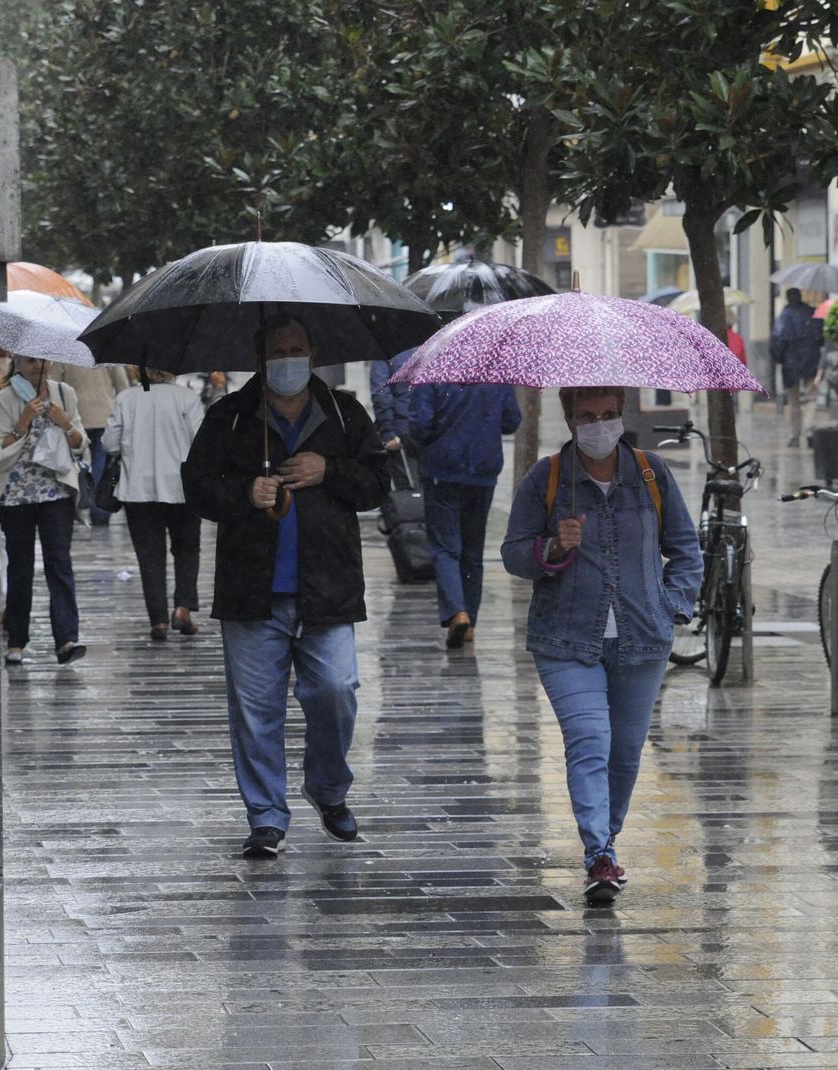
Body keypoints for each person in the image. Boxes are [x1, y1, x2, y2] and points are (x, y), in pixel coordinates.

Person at [181, 314, 388, 860]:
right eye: (278, 350)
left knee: (337, 691)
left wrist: (331, 470)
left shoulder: (344, 414)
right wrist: (242, 491)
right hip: (252, 589)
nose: (288, 359)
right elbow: (198, 489)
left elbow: (377, 485)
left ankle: (327, 789)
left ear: (313, 352)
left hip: (329, 589)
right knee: (256, 711)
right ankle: (267, 817)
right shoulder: (228, 418)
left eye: (297, 348)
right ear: (260, 357)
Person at [501, 386, 702, 904]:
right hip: (565, 638)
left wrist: (672, 605)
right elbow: (512, 554)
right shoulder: (545, 479)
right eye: (587, 416)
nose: (599, 425)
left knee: (626, 751)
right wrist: (551, 545)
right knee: (590, 738)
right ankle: (599, 854)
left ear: (622, 415)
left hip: (642, 638)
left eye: (608, 415)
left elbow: (685, 549)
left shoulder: (651, 473)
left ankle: (605, 841)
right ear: (569, 419)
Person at [408, 381, 523, 647]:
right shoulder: (495, 375)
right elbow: (511, 421)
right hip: (483, 471)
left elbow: (420, 425)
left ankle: (456, 612)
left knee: (445, 547)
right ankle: (469, 618)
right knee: (473, 551)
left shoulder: (433, 373)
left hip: (442, 470)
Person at [0, 352, 89, 665]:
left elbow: (80, 443)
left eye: (43, 361)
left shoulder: (65, 393)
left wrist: (63, 423)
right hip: (16, 495)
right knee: (19, 567)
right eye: (31, 362)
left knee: (59, 563)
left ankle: (66, 639)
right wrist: (23, 421)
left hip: (56, 492)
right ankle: (17, 641)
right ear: (17, 364)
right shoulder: (4, 399)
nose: (38, 367)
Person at [104, 368, 207, 640]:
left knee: (150, 556)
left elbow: (110, 443)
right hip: (181, 489)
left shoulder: (126, 398)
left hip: (138, 490)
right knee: (187, 550)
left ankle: (158, 620)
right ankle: (183, 608)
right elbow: (203, 441)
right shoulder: (187, 398)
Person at [48, 362, 129, 525]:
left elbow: (53, 385)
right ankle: (99, 512)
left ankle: (74, 506)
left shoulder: (64, 353)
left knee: (74, 463)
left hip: (73, 418)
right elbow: (122, 385)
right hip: (104, 416)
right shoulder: (106, 352)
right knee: (100, 463)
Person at [770, 287, 824, 447]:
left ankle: (794, 435)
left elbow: (778, 340)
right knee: (811, 398)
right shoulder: (812, 313)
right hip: (811, 360)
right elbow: (821, 338)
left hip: (791, 363)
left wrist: (778, 358)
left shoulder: (785, 316)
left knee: (793, 401)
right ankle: (809, 430)